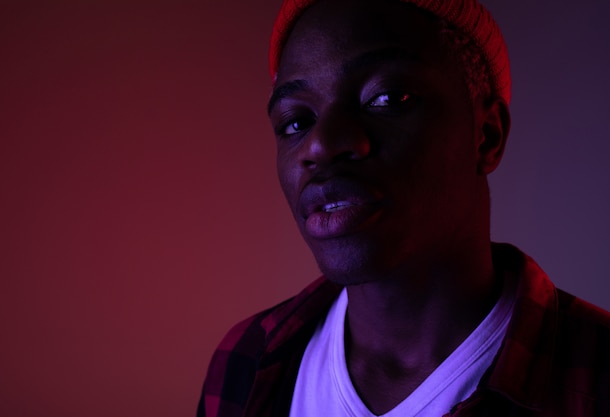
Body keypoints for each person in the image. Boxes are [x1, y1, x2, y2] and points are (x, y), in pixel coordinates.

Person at [198, 0, 610, 415]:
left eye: (386, 98)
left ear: (486, 136)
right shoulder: (245, 360)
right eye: (295, 122)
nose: (319, 144)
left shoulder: (596, 380)